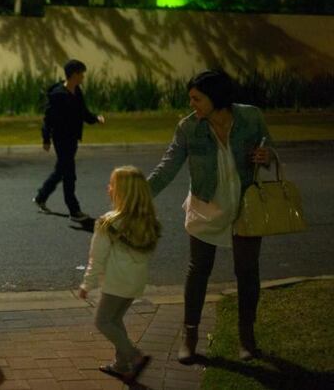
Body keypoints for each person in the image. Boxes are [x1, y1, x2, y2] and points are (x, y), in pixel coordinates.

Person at [147, 69, 272, 363]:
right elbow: (168, 166)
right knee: (199, 269)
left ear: (216, 97)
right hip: (206, 204)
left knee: (247, 270)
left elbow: (270, 150)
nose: (192, 104)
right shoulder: (189, 127)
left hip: (245, 203)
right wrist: (138, 192)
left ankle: (247, 337)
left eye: (197, 99)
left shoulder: (251, 117)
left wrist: (268, 157)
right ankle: (190, 337)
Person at [78, 166, 159, 384]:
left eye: (112, 185)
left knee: (103, 321)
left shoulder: (108, 223)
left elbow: (97, 258)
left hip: (116, 283)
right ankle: (121, 364)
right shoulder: (147, 221)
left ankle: (134, 356)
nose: (108, 188)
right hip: (135, 283)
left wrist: (87, 284)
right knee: (115, 319)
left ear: (121, 192)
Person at [34, 59, 105, 221]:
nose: (83, 77)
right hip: (61, 139)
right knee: (69, 174)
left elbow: (83, 113)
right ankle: (74, 211)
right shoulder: (58, 95)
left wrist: (96, 119)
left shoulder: (77, 91)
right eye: (81, 74)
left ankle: (41, 197)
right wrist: (46, 139)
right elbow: (48, 119)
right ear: (74, 74)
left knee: (61, 170)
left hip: (73, 138)